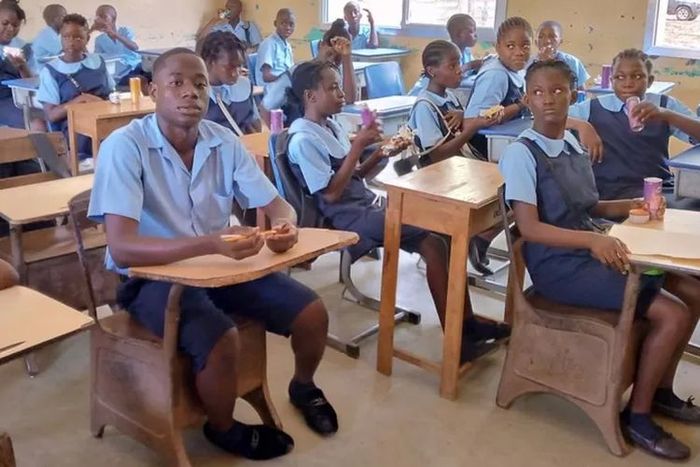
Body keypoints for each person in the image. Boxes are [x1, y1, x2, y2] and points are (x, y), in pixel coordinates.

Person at [88, 48, 342, 460]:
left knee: (311, 313)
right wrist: (209, 243)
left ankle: (303, 386)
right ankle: (222, 427)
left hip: (219, 265)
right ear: (154, 91)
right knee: (221, 339)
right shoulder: (126, 147)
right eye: (177, 83)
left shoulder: (222, 140)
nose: (191, 93)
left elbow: (276, 203)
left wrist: (285, 225)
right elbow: (122, 246)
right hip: (152, 276)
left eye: (200, 84)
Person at [499, 58, 700, 462]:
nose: (548, 100)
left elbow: (590, 204)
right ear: (526, 99)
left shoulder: (572, 142)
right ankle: (637, 417)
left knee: (691, 290)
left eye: (558, 91)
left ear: (574, 95)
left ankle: (660, 390)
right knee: (674, 314)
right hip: (560, 266)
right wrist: (592, 243)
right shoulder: (521, 153)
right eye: (537, 92)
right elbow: (531, 228)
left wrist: (633, 205)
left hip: (589, 246)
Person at [285, 60, 511, 362]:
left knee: (438, 241)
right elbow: (331, 193)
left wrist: (378, 152)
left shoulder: (330, 126)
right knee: (438, 236)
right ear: (310, 96)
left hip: (366, 204)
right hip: (346, 217)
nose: (341, 94)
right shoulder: (303, 139)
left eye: (339, 85)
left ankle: (464, 327)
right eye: (333, 88)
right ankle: (461, 334)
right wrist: (357, 148)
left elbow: (358, 176)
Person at [569, 48, 700, 208]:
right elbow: (550, 119)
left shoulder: (664, 105)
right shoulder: (593, 107)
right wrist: (582, 125)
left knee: (690, 209)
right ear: (611, 81)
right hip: (609, 191)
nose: (628, 83)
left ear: (650, 80)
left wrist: (666, 114)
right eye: (620, 77)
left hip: (657, 187)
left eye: (637, 76)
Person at [37, 13, 115, 164]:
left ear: (87, 39)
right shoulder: (52, 70)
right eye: (66, 37)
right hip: (74, 130)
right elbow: (51, 115)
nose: (71, 42)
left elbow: (112, 93)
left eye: (78, 37)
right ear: (60, 38)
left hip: (104, 120)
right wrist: (80, 101)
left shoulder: (98, 62)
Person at [260, 19, 356, 125]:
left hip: (323, 129)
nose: (333, 62)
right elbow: (265, 107)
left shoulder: (337, 72)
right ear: (320, 46)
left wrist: (347, 57)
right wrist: (279, 138)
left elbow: (349, 99)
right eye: (330, 55)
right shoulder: (297, 73)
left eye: (339, 59)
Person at [201, 31, 261, 134]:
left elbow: (255, 122)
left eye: (239, 66)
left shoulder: (244, 85)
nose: (235, 73)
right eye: (229, 67)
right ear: (210, 62)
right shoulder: (197, 94)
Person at [408, 13, 483, 96]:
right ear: (458, 34)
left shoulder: (466, 52)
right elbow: (458, 71)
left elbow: (467, 72)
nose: (476, 35)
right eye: (471, 31)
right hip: (420, 95)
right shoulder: (446, 52)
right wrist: (471, 65)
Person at [92, 4, 145, 85]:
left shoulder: (125, 30)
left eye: (104, 17)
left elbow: (135, 47)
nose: (101, 20)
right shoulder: (99, 39)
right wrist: (90, 31)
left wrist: (116, 35)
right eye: (98, 17)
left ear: (113, 19)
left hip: (133, 68)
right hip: (116, 74)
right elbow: (97, 59)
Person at [533, 20, 589, 89]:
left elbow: (581, 92)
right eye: (541, 37)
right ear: (536, 42)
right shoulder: (528, 63)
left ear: (560, 41)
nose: (547, 41)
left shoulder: (573, 62)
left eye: (552, 36)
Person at [195, 0, 263, 52]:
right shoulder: (220, 27)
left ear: (240, 10)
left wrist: (249, 50)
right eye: (227, 7)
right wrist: (214, 20)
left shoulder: (249, 26)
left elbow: (260, 46)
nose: (228, 10)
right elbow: (200, 39)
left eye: (232, 7)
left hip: (245, 65)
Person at [255, 8, 294, 86]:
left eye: (291, 24)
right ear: (275, 23)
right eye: (283, 23)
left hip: (284, 85)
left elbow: (290, 70)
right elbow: (266, 77)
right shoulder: (269, 44)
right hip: (271, 88)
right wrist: (286, 79)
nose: (288, 28)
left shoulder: (287, 46)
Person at [31, 3, 65, 71]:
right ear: (55, 19)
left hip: (50, 72)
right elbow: (69, 52)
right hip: (41, 75)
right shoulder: (47, 35)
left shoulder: (53, 34)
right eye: (64, 16)